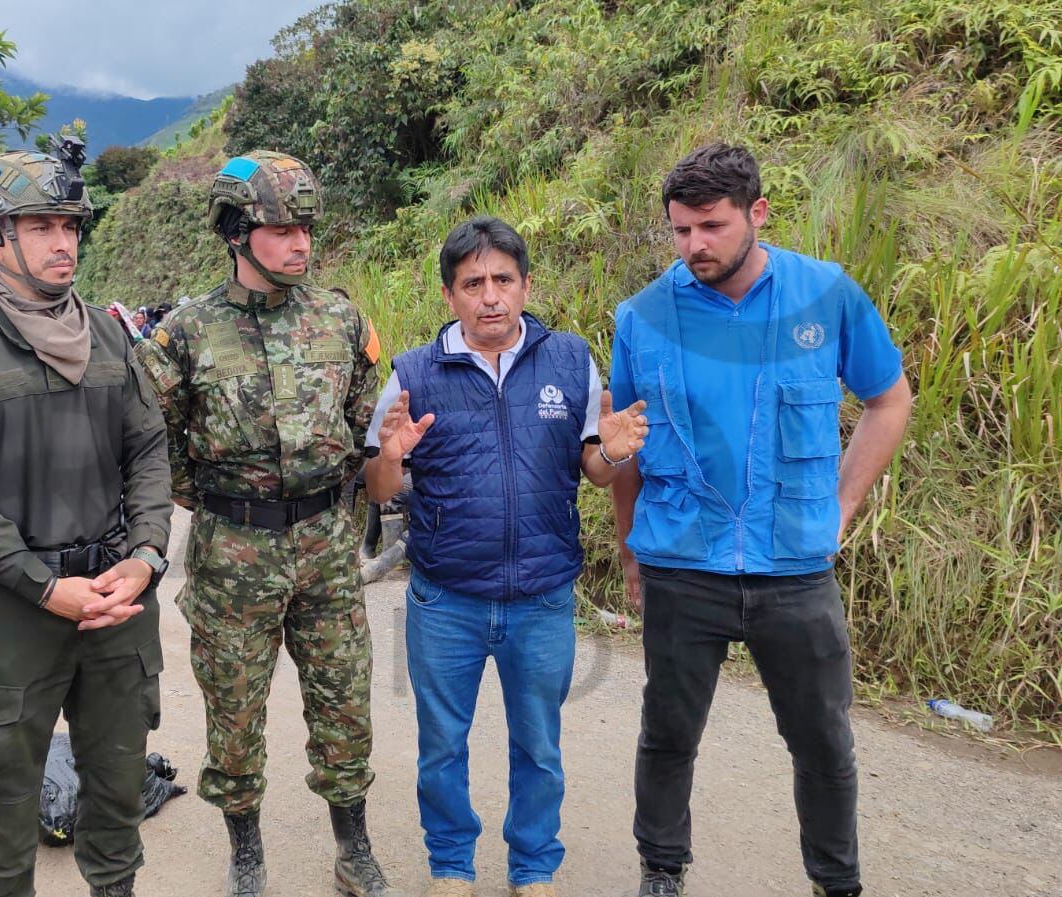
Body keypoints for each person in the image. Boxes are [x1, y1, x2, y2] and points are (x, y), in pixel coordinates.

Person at [608, 145, 913, 897]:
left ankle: (836, 881)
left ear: (758, 214)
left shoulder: (826, 296)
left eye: (711, 226)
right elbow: (627, 444)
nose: (694, 245)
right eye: (681, 230)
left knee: (823, 744)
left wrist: (842, 505)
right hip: (684, 562)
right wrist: (630, 549)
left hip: (794, 567)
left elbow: (888, 398)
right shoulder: (643, 317)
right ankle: (661, 871)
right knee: (668, 734)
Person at [0, 143, 174, 897]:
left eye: (71, 226)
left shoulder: (110, 334)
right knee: (5, 800)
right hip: (12, 609)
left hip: (117, 601)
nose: (65, 243)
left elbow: (148, 450)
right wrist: (44, 587)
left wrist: (146, 555)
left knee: (118, 784)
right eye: (42, 226)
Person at [363, 217, 648, 897]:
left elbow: (592, 468)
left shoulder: (569, 360)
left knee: (539, 745)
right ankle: (451, 866)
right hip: (445, 598)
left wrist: (611, 451)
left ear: (525, 285)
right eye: (472, 284)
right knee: (441, 744)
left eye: (502, 280)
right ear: (448, 295)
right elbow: (377, 486)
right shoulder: (411, 374)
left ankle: (533, 867)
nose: (489, 297)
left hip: (542, 597)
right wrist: (391, 456)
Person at [134, 150, 389, 897]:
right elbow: (155, 445)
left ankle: (354, 848)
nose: (301, 243)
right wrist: (224, 501)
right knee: (234, 710)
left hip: (328, 547)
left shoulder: (341, 320)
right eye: (282, 229)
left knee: (344, 701)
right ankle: (246, 854)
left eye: (307, 228)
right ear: (236, 233)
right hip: (232, 553)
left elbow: (361, 425)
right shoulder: (183, 335)